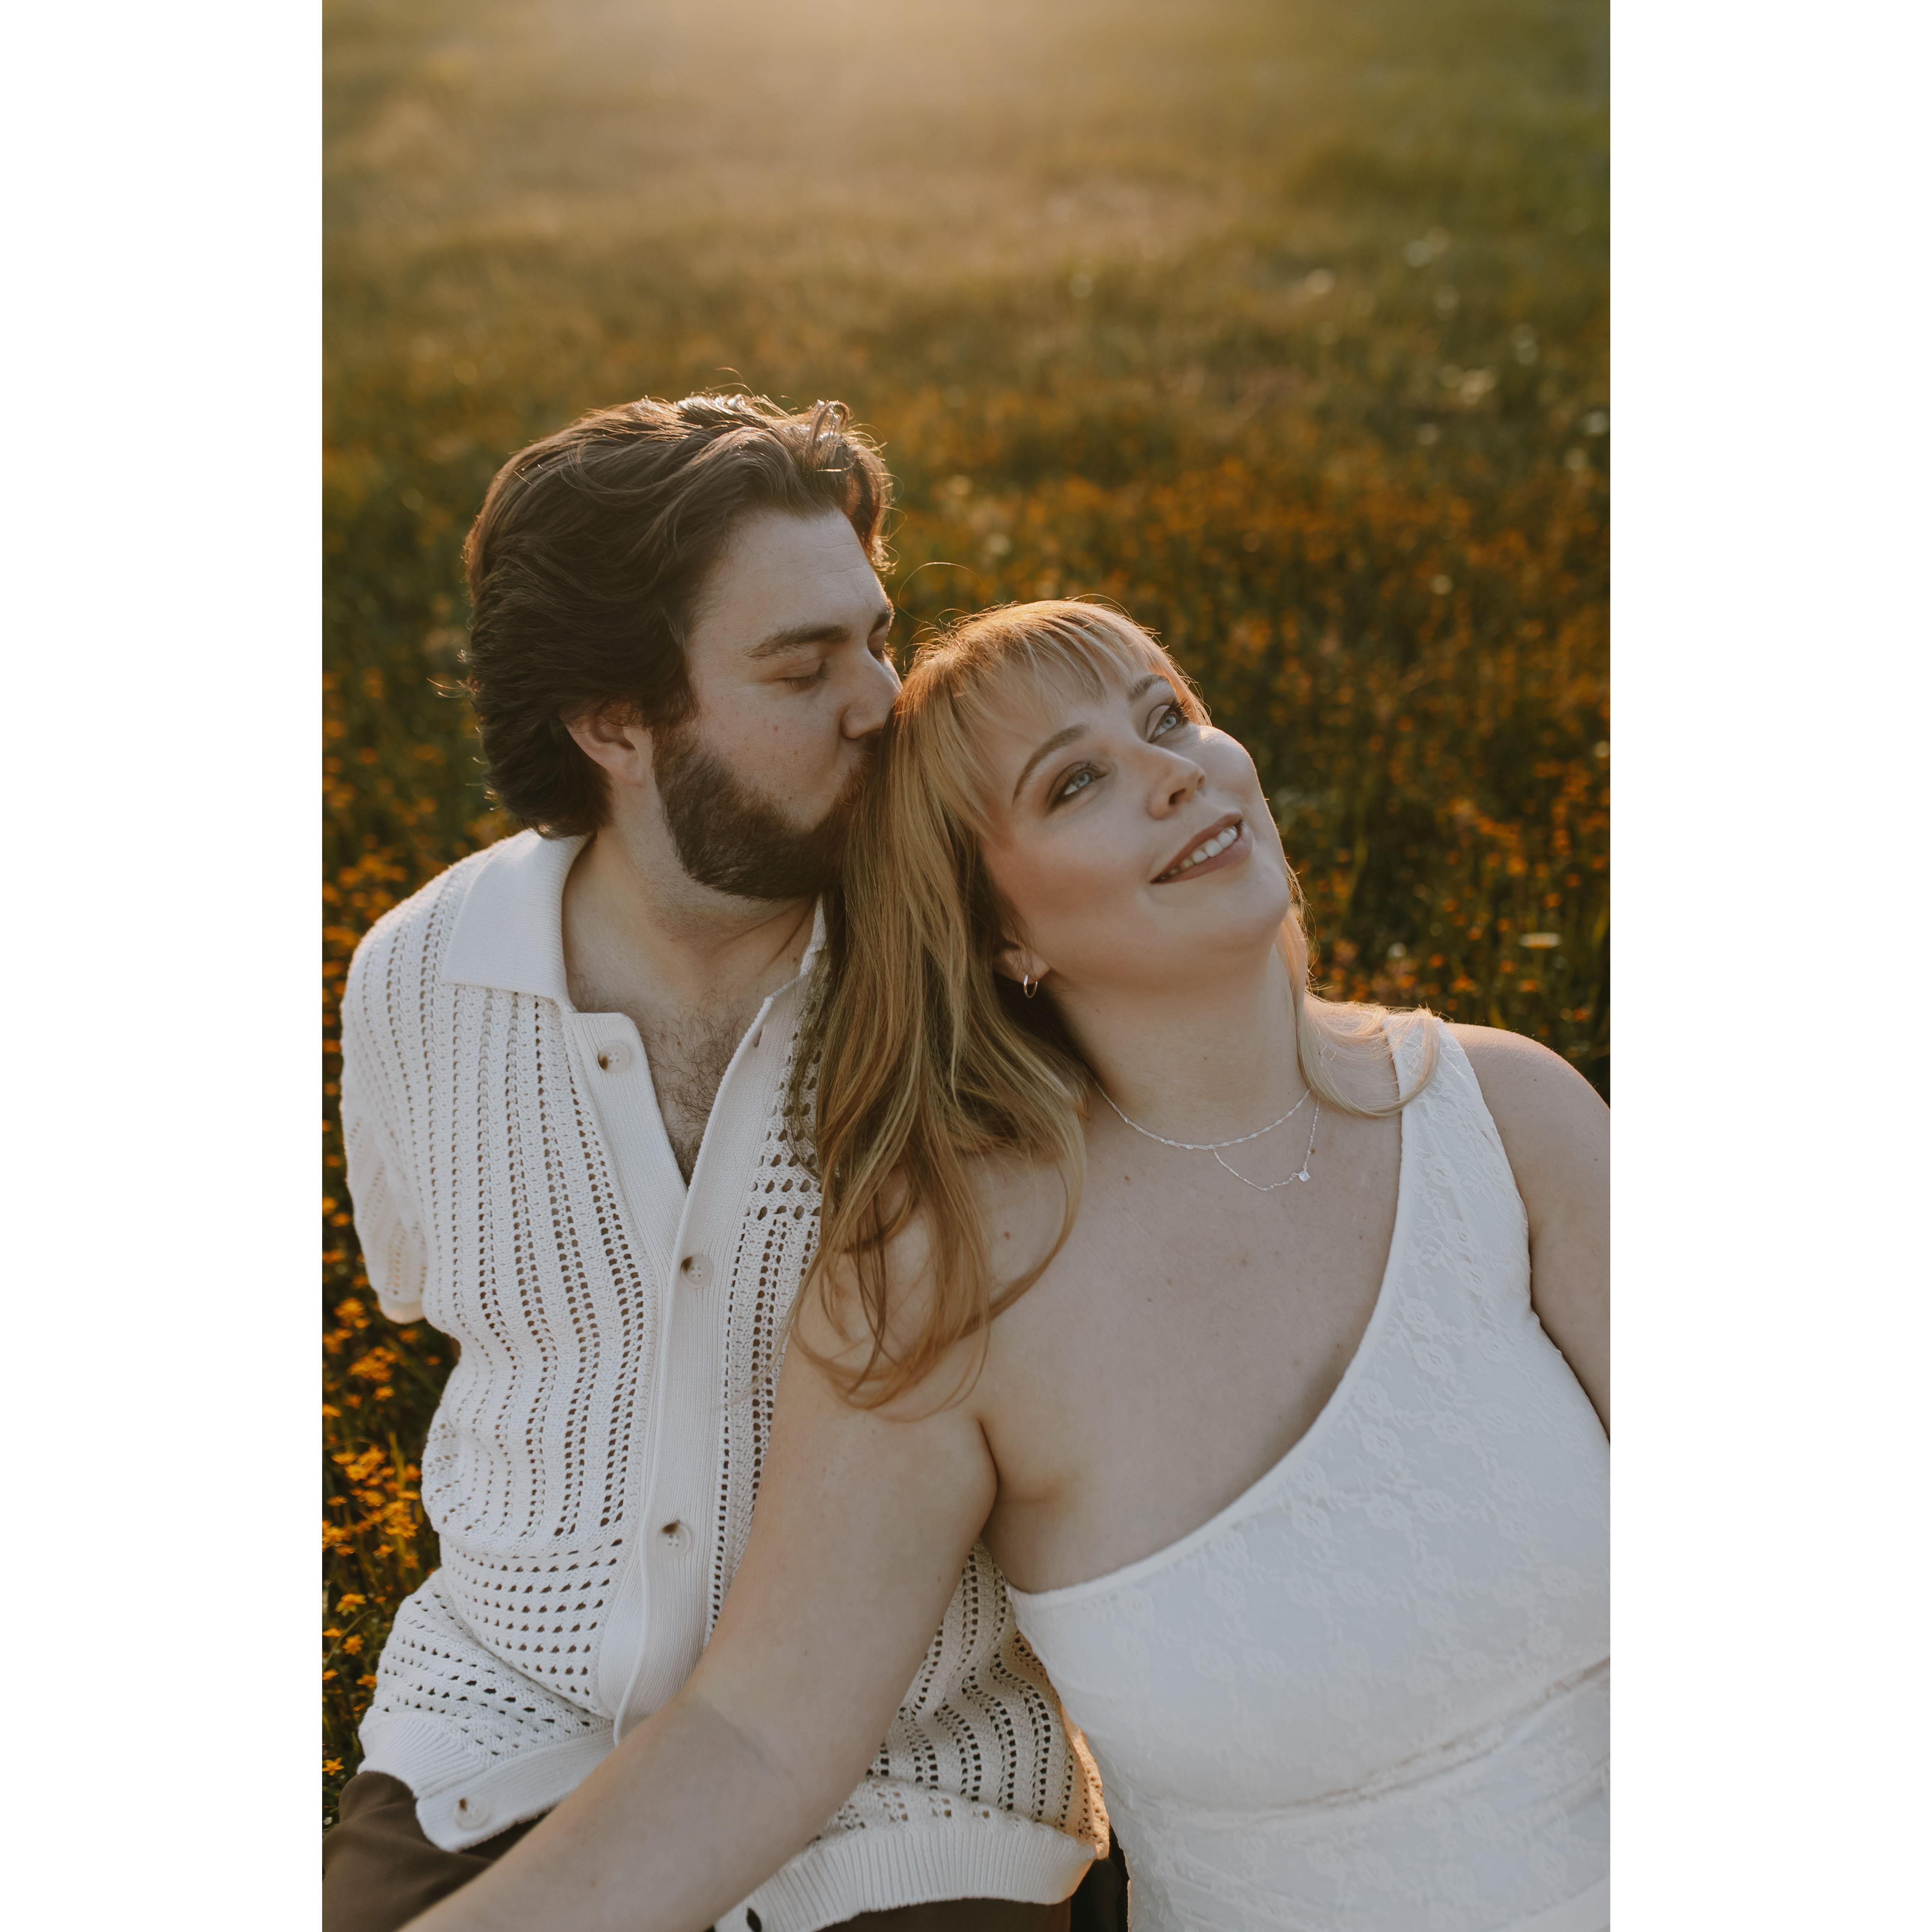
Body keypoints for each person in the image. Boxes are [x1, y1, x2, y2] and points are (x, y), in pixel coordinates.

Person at [403, 600, 1610, 1932]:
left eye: (1170, 717)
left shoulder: (1507, 1115)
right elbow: (759, 1737)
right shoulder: (953, 1284)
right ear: (1000, 935)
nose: (1173, 774)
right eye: (1075, 782)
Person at [328, 401, 1126, 1932]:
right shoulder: (417, 977)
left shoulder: (991, 975)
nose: (885, 703)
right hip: (500, 1740)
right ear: (616, 725)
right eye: (802, 669)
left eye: (877, 639)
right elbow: (440, 1306)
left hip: (921, 1785)